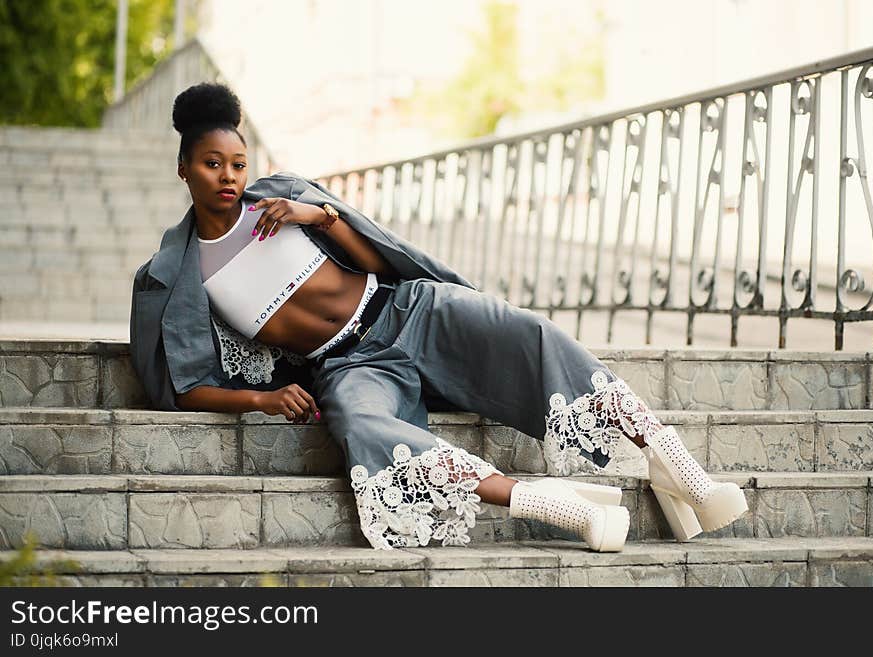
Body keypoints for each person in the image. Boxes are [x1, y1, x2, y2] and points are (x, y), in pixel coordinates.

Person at [129, 82, 748, 552]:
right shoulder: (174, 275)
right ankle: (549, 503)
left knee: (529, 332)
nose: (230, 177)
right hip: (344, 365)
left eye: (237, 164)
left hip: (407, 310)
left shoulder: (283, 198)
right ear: (184, 167)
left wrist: (317, 217)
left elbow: (380, 260)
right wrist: (263, 402)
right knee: (362, 428)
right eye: (213, 164)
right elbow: (182, 387)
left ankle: (678, 467)